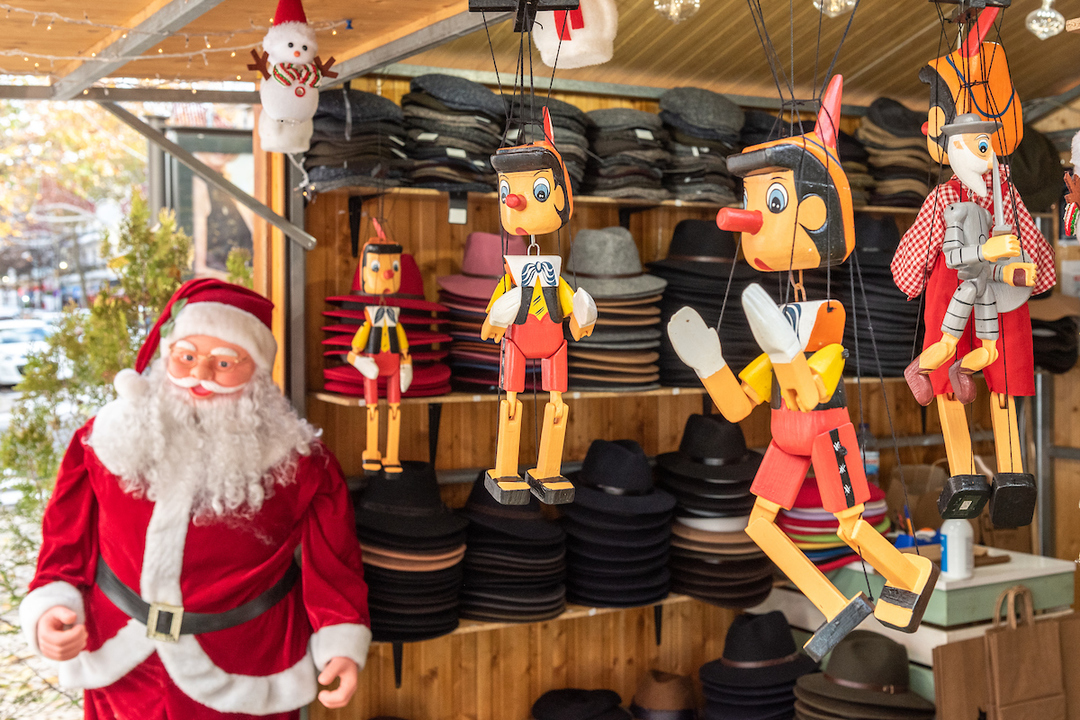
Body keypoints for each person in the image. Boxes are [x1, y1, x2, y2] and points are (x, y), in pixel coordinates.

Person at [19, 279, 370, 719]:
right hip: (120, 668)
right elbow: (64, 543)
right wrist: (51, 606)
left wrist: (340, 643)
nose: (200, 375)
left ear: (258, 372)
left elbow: (333, 567)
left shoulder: (299, 462)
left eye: (224, 362)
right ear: (167, 357)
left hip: (243, 670)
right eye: (186, 357)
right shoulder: (103, 438)